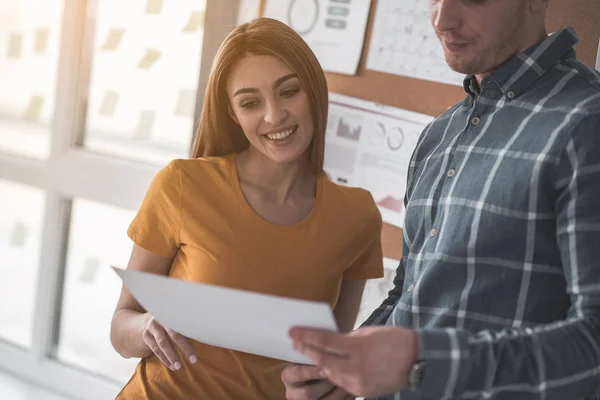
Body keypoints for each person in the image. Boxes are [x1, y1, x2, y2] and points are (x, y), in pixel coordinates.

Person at [283, 0, 600, 399]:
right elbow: (409, 293)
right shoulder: (440, 133)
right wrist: (341, 367)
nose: (441, 19)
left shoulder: (587, 124)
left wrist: (420, 361)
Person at [109, 18, 384, 399]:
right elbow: (120, 328)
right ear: (234, 113)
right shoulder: (183, 185)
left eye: (288, 92)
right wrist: (147, 328)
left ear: (314, 91)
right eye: (251, 102)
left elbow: (326, 362)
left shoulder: (357, 216)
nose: (274, 116)